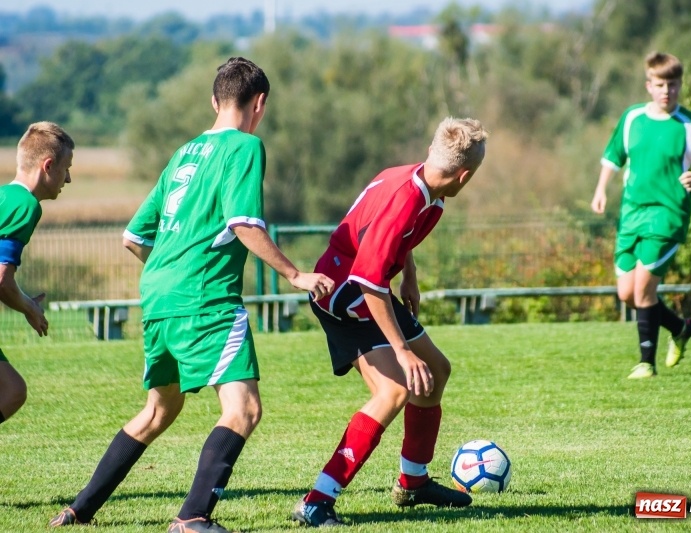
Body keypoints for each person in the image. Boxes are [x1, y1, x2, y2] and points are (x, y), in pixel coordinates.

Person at [49, 57, 334, 533]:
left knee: (159, 410)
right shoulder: (245, 147)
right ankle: (191, 519)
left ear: (213, 100)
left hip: (158, 295)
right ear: (259, 103)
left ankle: (78, 510)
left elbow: (133, 237)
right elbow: (244, 223)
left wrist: (171, 271)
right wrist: (295, 274)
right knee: (243, 408)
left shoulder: (184, 152)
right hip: (205, 298)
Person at [291, 117, 488, 527]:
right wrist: (401, 350)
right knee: (396, 388)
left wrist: (410, 275)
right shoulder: (407, 197)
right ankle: (317, 501)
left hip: (369, 287)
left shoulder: (419, 181)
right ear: (464, 175)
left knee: (435, 369)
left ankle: (412, 482)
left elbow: (395, 240)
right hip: (347, 296)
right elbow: (367, 279)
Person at [590, 51, 691, 379]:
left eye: (673, 84)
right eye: (660, 84)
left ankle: (645, 363)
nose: (667, 90)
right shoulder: (631, 119)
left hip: (668, 215)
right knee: (626, 294)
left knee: (643, 293)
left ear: (680, 85)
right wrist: (600, 190)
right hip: (631, 214)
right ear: (648, 86)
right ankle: (681, 328)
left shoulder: (690, 126)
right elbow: (613, 156)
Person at [0, 122, 74, 424]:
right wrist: (30, 308)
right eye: (66, 168)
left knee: (13, 389)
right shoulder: (25, 205)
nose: (68, 178)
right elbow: (2, 279)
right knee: (11, 390)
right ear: (48, 165)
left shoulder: (5, 196)